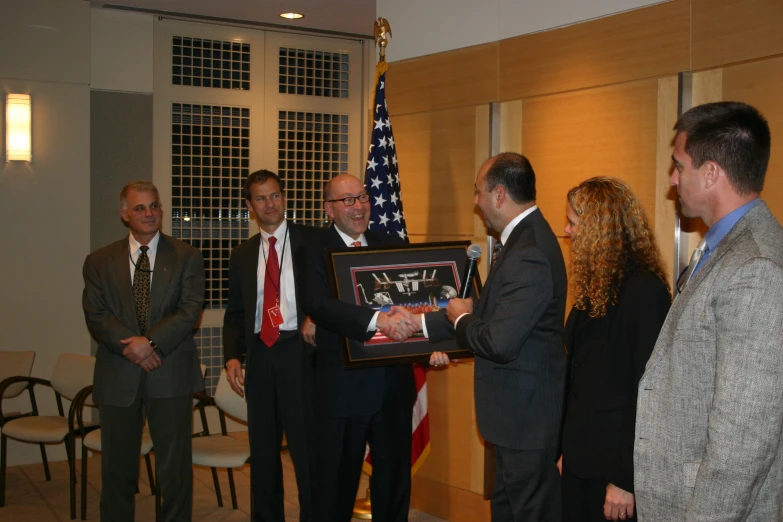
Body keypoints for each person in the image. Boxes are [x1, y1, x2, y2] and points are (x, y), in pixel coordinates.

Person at [634, 101, 783, 520]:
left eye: (679, 166)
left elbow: (743, 442)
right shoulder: (727, 246)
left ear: (712, 172)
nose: (672, 178)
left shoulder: (756, 267)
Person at [422, 152, 568, 521]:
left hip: (525, 425)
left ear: (499, 195)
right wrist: (420, 325)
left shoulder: (529, 251)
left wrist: (462, 319)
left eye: (478, 192)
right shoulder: (520, 241)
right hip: (513, 421)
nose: (476, 202)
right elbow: (498, 321)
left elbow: (499, 341)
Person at [82, 180, 205, 522]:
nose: (149, 213)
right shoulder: (98, 261)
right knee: (117, 471)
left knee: (174, 471)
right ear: (124, 215)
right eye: (140, 208)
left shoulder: (187, 257)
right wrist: (135, 347)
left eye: (154, 206)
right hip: (118, 376)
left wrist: (149, 343)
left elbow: (189, 310)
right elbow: (97, 315)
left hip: (170, 374)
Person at [302, 173, 417, 522]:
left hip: (393, 388)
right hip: (342, 390)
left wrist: (431, 341)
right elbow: (319, 304)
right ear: (329, 209)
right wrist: (376, 321)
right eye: (347, 200)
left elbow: (415, 302)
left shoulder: (392, 243)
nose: (359, 207)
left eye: (363, 197)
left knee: (394, 484)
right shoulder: (312, 251)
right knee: (335, 489)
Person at [558, 177, 670, 522]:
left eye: (573, 223)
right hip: (581, 457)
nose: (566, 230)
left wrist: (625, 479)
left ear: (599, 230)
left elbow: (650, 394)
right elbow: (577, 377)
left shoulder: (644, 292)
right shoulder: (597, 285)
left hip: (613, 469)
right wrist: (565, 449)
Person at [223, 170, 321, 522]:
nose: (270, 204)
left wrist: (318, 317)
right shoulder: (243, 254)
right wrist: (232, 355)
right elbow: (235, 311)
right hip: (261, 357)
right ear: (249, 205)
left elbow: (336, 290)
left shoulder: (314, 241)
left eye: (275, 195)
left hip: (300, 352)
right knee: (263, 452)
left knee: (306, 450)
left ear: (284, 198)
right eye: (261, 198)